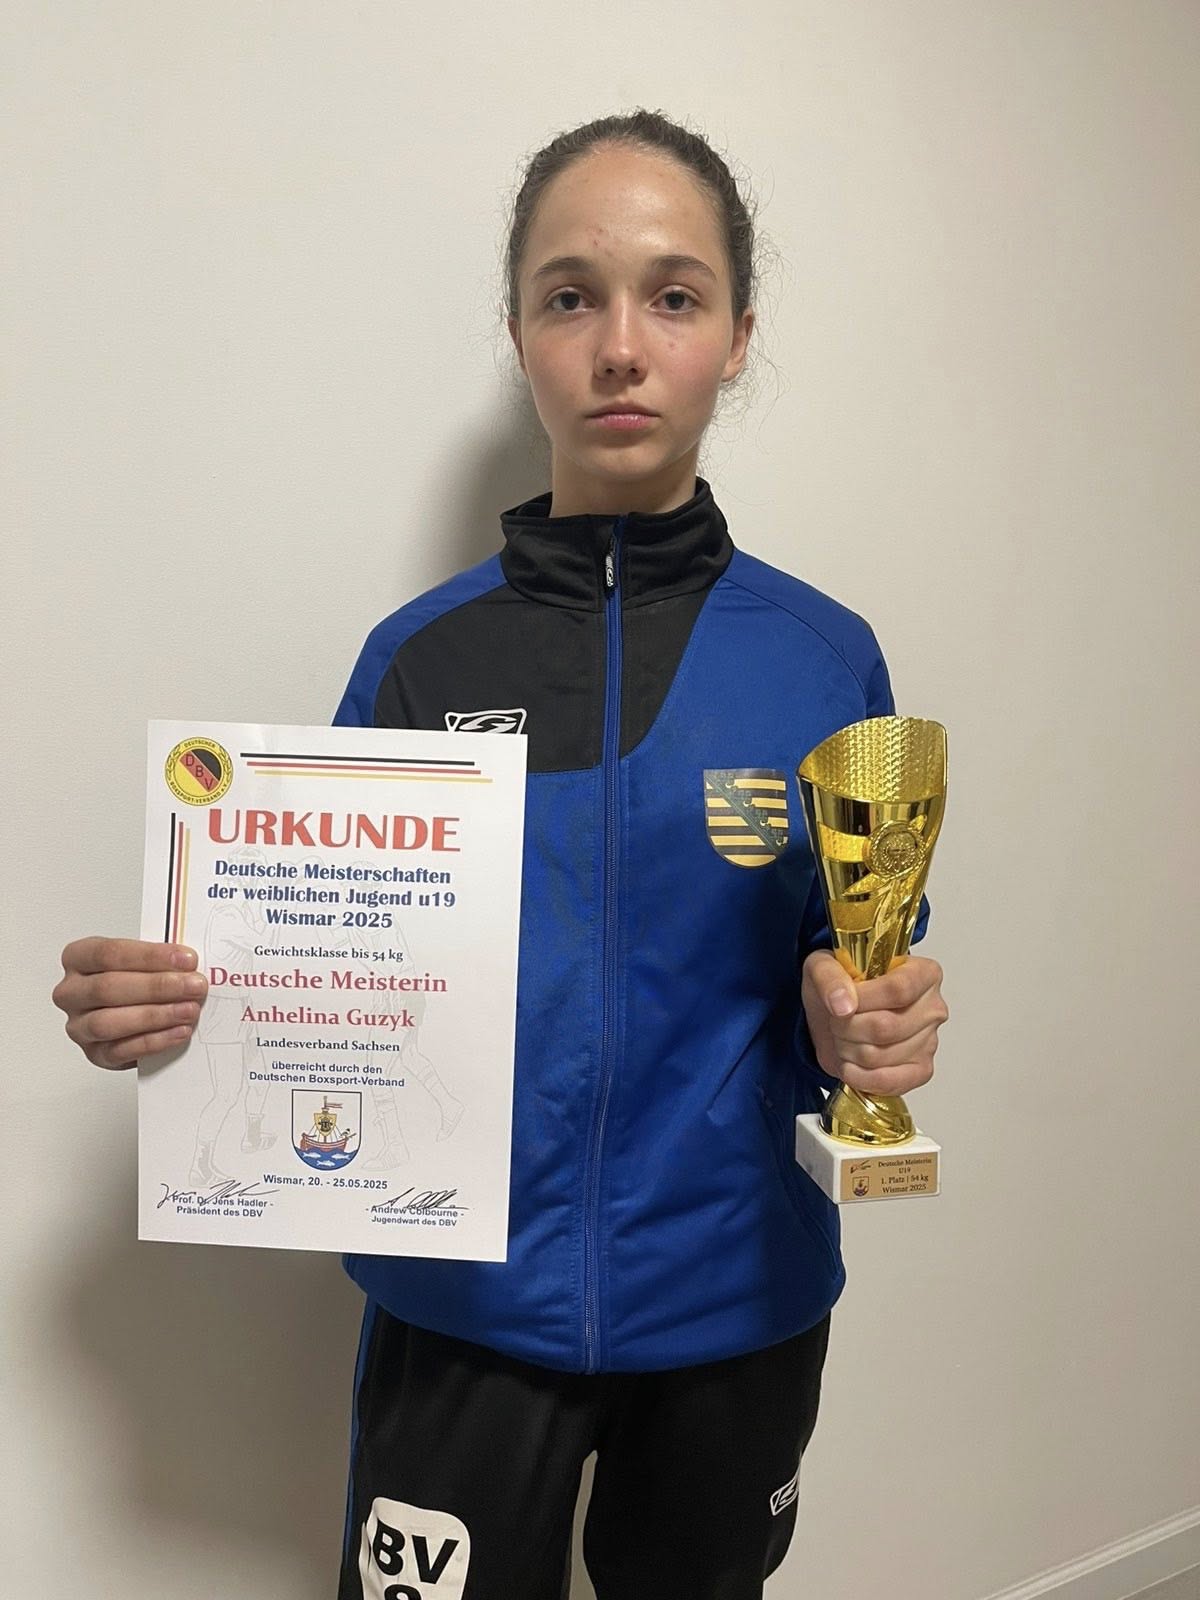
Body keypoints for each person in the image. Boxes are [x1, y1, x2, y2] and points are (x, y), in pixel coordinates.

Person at [52, 110, 949, 1600]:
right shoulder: (419, 658)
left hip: (738, 1301)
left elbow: (859, 949)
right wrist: (178, 1012)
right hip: (459, 1306)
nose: (621, 348)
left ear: (737, 338)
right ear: (521, 333)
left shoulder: (823, 658)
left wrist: (869, 1018)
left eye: (674, 297)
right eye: (570, 296)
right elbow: (318, 957)